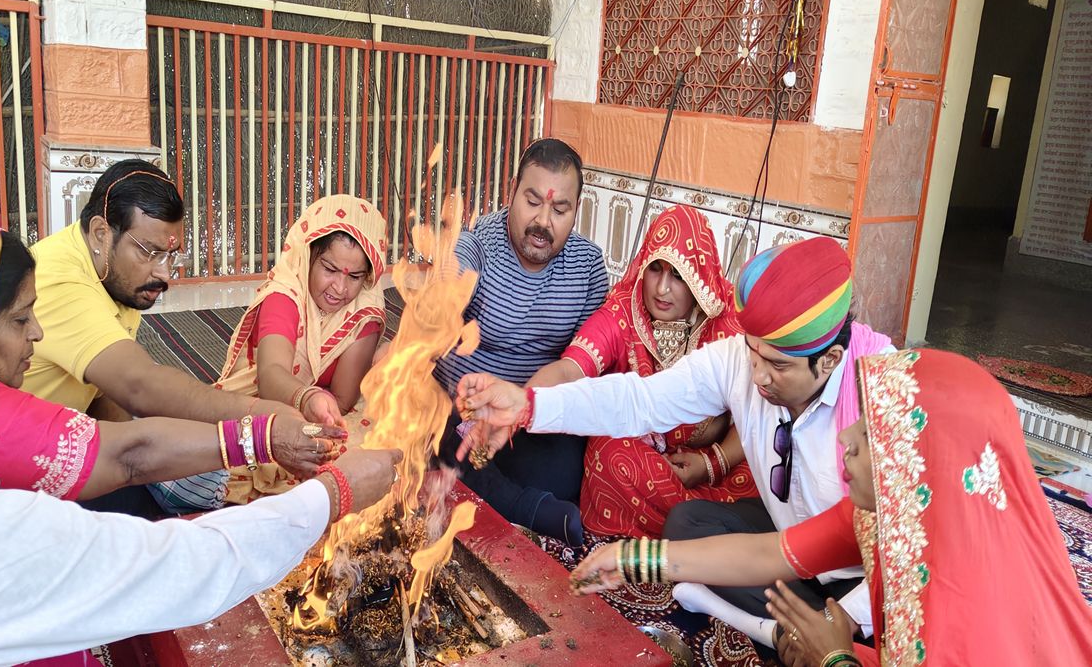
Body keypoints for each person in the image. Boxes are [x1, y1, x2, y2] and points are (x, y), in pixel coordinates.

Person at [0, 178, 401, 665]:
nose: (37, 334)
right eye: (17, 322)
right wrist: (330, 492)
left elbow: (117, 425)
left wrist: (262, 437)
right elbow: (169, 554)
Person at [454, 237, 895, 645]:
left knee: (866, 628)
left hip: (865, 578)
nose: (758, 377)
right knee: (686, 525)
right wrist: (528, 405)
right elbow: (640, 400)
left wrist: (847, 620)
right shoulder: (739, 360)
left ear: (830, 361)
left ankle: (799, 634)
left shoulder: (885, 396)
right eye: (753, 354)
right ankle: (792, 632)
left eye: (777, 367)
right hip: (788, 545)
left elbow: (912, 554)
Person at [569, 349, 1092, 665]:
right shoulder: (895, 516)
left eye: (870, 435)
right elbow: (767, 555)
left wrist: (835, 657)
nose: (845, 438)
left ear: (918, 466)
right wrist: (631, 558)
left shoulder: (961, 616)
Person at [22, 160, 332, 514]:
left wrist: (155, 459)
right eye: (149, 252)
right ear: (100, 233)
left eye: (170, 254)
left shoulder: (114, 274)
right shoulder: (61, 282)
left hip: (64, 435)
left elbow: (110, 395)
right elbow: (140, 385)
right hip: (13, 476)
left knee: (176, 482)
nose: (163, 273)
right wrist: (260, 423)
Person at [0, 230, 336, 503]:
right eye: (20, 319)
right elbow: (130, 448)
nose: (37, 332)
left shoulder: (111, 281)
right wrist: (262, 434)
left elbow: (117, 408)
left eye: (170, 255)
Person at [528, 204, 757, 539]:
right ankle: (704, 540)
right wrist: (520, 404)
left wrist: (712, 464)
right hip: (646, 467)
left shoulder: (727, 326)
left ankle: (699, 534)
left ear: (700, 277)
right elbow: (570, 370)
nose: (661, 289)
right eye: (656, 270)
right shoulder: (623, 310)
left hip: (715, 467)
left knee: (764, 468)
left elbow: (758, 415)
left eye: (678, 275)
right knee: (606, 451)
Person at [432, 138, 608, 547]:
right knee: (440, 437)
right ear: (512, 190)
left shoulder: (587, 268)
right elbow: (444, 295)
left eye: (559, 209)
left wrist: (523, 410)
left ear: (575, 211)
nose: (542, 221)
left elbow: (583, 365)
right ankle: (518, 505)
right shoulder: (476, 244)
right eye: (532, 201)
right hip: (462, 414)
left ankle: (497, 493)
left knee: (565, 471)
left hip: (529, 415)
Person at [217, 194, 387, 503]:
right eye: (330, 268)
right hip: (264, 405)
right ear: (307, 256)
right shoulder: (285, 294)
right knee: (237, 450)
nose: (339, 287)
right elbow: (270, 378)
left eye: (355, 276)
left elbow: (343, 400)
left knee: (382, 439)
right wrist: (307, 397)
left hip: (324, 413)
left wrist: (320, 423)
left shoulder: (366, 307)